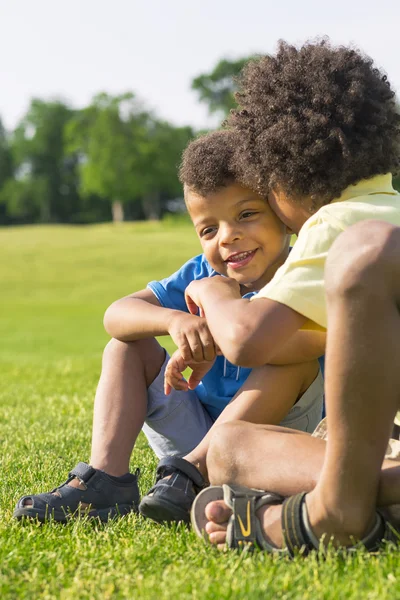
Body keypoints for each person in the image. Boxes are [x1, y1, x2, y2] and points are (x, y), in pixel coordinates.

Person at [13, 130, 324, 523]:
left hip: (273, 442)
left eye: (246, 214)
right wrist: (174, 320)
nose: (228, 236)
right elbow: (117, 313)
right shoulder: (201, 272)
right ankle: (108, 481)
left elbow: (308, 347)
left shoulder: (304, 275)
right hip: (189, 447)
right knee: (127, 345)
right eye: (209, 229)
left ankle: (199, 471)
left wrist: (218, 334)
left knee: (293, 364)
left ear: (285, 215)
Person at [187, 40, 400, 552]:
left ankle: (339, 506)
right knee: (235, 441)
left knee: (231, 447)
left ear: (283, 176)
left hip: (385, 445)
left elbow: (248, 341)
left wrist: (211, 293)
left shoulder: (337, 223)